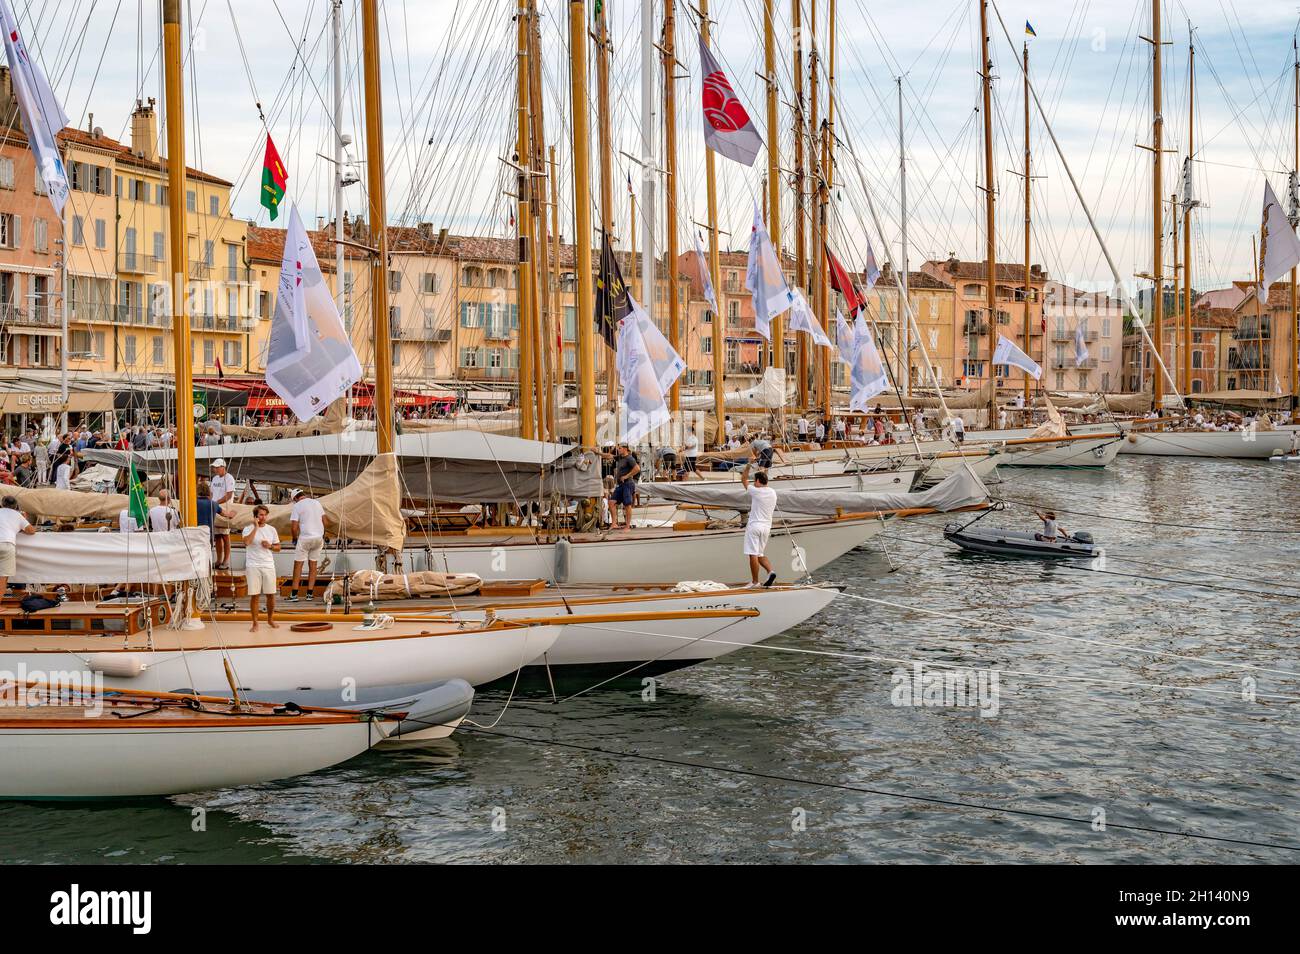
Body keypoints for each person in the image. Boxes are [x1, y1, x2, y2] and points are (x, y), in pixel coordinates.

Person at [243, 505, 281, 632]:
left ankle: (270, 619)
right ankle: (255, 623)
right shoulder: (247, 529)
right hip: (253, 565)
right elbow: (247, 542)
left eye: (265, 515)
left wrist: (270, 546)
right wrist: (256, 528)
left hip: (268, 565)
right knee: (255, 595)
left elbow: (278, 548)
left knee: (271, 594)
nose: (263, 517)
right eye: (260, 515)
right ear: (255, 516)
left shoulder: (272, 530)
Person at [739, 464, 778, 587]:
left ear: (757, 481)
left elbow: (743, 479)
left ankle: (755, 582)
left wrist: (748, 466)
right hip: (766, 528)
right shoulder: (773, 492)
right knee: (760, 554)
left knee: (753, 554)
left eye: (754, 481)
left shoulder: (755, 491)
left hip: (755, 526)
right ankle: (770, 572)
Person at [288, 488, 326, 602]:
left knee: (298, 566)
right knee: (313, 566)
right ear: (303, 495)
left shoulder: (297, 506)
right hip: (318, 538)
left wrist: (294, 538)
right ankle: (309, 594)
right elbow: (325, 521)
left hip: (305, 538)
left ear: (295, 498)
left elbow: (294, 527)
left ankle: (294, 594)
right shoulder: (317, 503)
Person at [0, 496, 35, 595]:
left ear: (2, 504)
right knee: (2, 578)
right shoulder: (17, 515)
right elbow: (31, 531)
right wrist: (22, 521)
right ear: (15, 506)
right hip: (6, 544)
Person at [208, 458, 237, 569]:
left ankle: (226, 561)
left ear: (222, 467)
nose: (215, 469)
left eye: (216, 467)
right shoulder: (215, 478)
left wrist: (215, 503)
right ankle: (219, 560)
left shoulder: (229, 478)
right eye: (214, 467)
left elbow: (229, 495)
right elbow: (211, 493)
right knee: (218, 536)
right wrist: (211, 502)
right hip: (215, 508)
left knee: (225, 535)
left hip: (225, 508)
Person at [609, 443, 640, 530]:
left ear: (625, 449)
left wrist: (626, 476)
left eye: (620, 448)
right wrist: (598, 453)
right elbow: (609, 456)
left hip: (628, 484)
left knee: (627, 505)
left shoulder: (629, 458)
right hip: (620, 485)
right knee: (611, 502)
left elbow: (637, 468)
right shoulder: (620, 457)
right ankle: (614, 523)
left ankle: (627, 526)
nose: (618, 450)